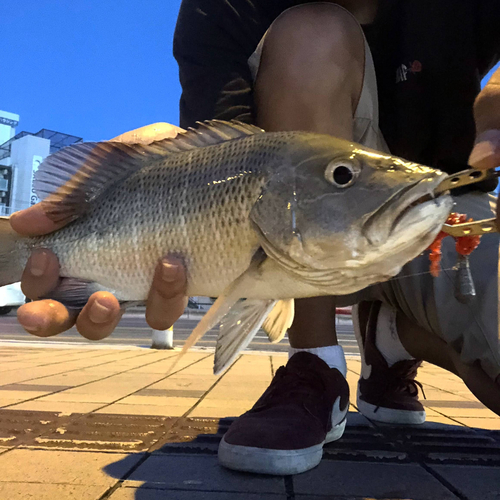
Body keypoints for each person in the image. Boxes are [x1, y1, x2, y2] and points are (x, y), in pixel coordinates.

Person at [11, 0, 500, 476]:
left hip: (441, 214)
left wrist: (494, 109)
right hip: (321, 230)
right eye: (341, 175)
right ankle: (315, 362)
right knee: (313, 33)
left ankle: (391, 339)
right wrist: (136, 171)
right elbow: (233, 154)